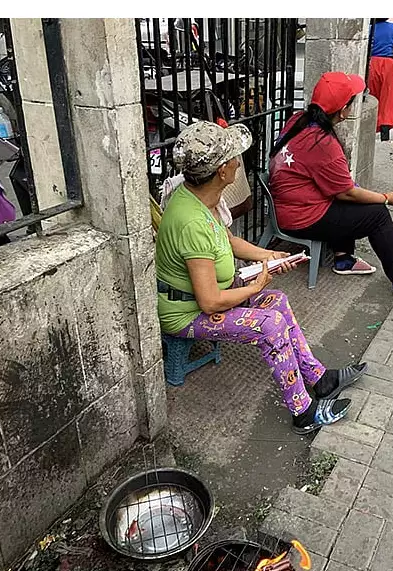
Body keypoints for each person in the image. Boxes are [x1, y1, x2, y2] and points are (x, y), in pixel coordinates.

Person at [156, 120, 367, 435]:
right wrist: (255, 285)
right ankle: (303, 413)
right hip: (186, 314)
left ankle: (320, 379)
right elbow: (210, 301)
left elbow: (228, 242)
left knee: (277, 301)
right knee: (269, 324)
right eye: (235, 158)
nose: (240, 162)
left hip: (209, 295)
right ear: (223, 170)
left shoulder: (199, 197)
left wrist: (268, 256)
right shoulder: (191, 221)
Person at [268, 71, 393, 297]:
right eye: (352, 102)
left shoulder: (299, 120)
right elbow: (346, 194)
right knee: (377, 214)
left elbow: (342, 188)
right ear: (343, 111)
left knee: (353, 194)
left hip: (289, 206)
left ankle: (343, 259)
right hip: (300, 217)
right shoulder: (323, 143)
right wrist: (387, 198)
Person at [368, 18, 393, 141]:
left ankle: (370, 127)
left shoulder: (370, 28)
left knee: (372, 95)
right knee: (387, 97)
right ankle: (385, 131)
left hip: (373, 61)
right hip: (388, 63)